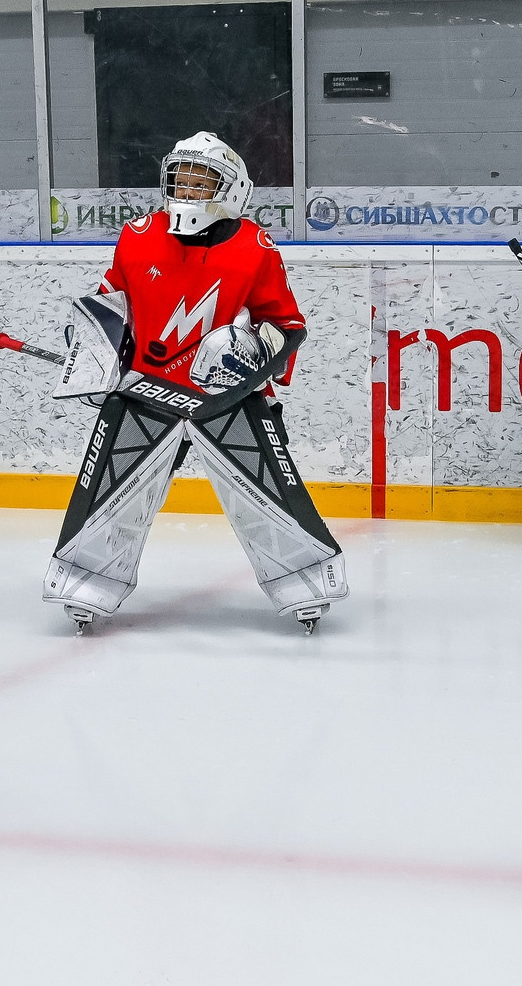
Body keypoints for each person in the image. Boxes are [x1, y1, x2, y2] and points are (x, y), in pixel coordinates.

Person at [42, 132, 348, 632]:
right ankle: (86, 580)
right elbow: (109, 305)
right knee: (110, 493)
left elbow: (287, 325)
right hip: (144, 390)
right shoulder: (137, 235)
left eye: (200, 181)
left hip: (225, 394)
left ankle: (305, 580)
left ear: (231, 190)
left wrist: (254, 353)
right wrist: (97, 354)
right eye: (179, 179)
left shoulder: (255, 248)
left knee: (267, 494)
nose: (186, 190)